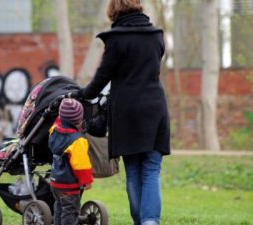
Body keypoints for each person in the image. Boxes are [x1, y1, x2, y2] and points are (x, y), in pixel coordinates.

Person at [76, 0, 171, 224]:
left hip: (127, 112)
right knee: (151, 169)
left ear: (113, 9)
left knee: (134, 170)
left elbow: (102, 77)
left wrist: (82, 95)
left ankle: (141, 221)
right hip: (155, 109)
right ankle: (149, 221)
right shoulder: (157, 35)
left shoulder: (117, 38)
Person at [48, 98, 94, 225]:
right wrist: (87, 181)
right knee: (70, 212)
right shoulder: (77, 141)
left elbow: (58, 122)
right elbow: (81, 165)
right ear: (78, 121)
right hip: (69, 185)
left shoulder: (54, 131)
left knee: (59, 208)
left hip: (55, 182)